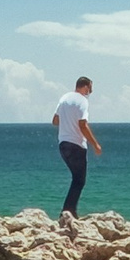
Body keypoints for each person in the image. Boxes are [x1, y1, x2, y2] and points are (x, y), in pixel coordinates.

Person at [52, 76, 102, 219]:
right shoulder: (83, 101)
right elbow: (82, 124)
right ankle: (68, 212)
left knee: (76, 179)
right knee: (79, 180)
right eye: (90, 89)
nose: (90, 93)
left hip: (63, 145)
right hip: (76, 145)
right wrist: (95, 144)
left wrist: (68, 120)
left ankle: (68, 211)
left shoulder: (64, 98)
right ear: (85, 87)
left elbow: (55, 121)